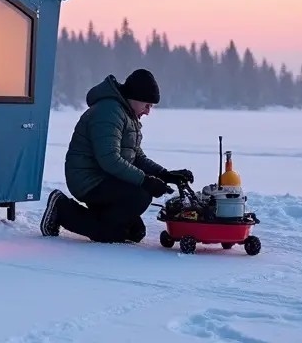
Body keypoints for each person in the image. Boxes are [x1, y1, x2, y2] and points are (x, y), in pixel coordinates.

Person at [40, 69, 194, 243]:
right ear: (134, 97)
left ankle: (102, 221)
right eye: (147, 104)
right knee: (138, 198)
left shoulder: (127, 114)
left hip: (106, 177)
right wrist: (145, 180)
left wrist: (164, 174)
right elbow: (110, 159)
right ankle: (61, 209)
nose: (148, 111)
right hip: (89, 180)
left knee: (134, 232)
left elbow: (136, 157)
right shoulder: (109, 112)